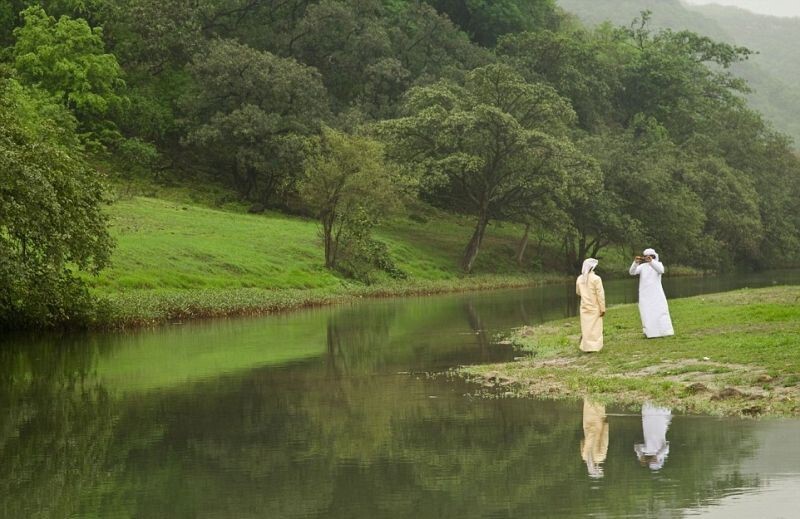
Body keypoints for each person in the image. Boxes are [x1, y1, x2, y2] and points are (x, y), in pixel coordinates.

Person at [629, 248, 674, 338]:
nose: (647, 258)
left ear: (654, 256)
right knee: (646, 312)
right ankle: (649, 332)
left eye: (650, 256)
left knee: (660, 311)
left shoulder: (658, 264)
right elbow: (632, 272)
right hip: (645, 294)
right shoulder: (642, 267)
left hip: (656, 293)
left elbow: (661, 270)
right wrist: (635, 262)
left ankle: (664, 331)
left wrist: (651, 262)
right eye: (645, 256)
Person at [576, 258, 606, 352]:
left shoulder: (580, 278)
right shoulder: (596, 279)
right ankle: (595, 346)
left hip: (584, 306)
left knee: (586, 327)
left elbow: (578, 292)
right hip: (595, 306)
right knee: (596, 327)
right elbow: (600, 295)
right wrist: (603, 308)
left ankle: (587, 346)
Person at [634, 402, 672, 471]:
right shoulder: (664, 452)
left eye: (652, 461)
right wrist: (657, 456)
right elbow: (666, 447)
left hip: (648, 417)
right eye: (655, 461)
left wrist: (641, 456)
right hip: (661, 419)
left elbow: (636, 446)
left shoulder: (646, 450)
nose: (653, 460)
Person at [581, 399, 609, 478]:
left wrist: (606, 426)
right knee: (589, 403)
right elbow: (582, 441)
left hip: (598, 425)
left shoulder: (601, 457)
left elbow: (604, 441)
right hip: (587, 423)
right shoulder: (584, 456)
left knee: (599, 403)